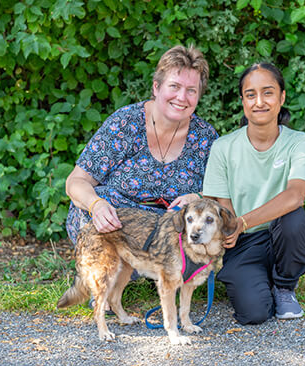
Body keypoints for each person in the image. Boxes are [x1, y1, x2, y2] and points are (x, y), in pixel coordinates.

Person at [65, 45, 217, 314]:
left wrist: (197, 198)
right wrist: (96, 205)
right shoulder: (125, 123)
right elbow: (75, 182)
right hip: (118, 224)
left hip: (166, 232)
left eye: (191, 90)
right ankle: (104, 278)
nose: (182, 97)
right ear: (156, 87)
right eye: (174, 86)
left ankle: (151, 274)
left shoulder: (205, 137)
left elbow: (219, 197)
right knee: (91, 205)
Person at [202, 62, 305, 325]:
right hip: (245, 242)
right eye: (250, 94)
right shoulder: (223, 147)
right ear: (242, 101)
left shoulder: (300, 143)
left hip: (283, 236)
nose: (259, 102)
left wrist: (243, 222)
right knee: (253, 314)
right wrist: (232, 229)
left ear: (282, 97)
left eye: (268, 93)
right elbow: (224, 208)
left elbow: (295, 196)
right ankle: (261, 281)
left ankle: (285, 286)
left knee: (294, 219)